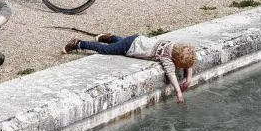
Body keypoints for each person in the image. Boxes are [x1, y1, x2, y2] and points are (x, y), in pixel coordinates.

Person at [63, 33, 196, 104]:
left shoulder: (174, 46)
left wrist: (188, 79)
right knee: (107, 50)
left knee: (119, 43)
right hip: (131, 48)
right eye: (182, 66)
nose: (185, 68)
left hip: (137, 39)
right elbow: (171, 74)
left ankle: (109, 37)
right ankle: (78, 44)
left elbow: (188, 62)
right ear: (176, 61)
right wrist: (178, 92)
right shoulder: (166, 58)